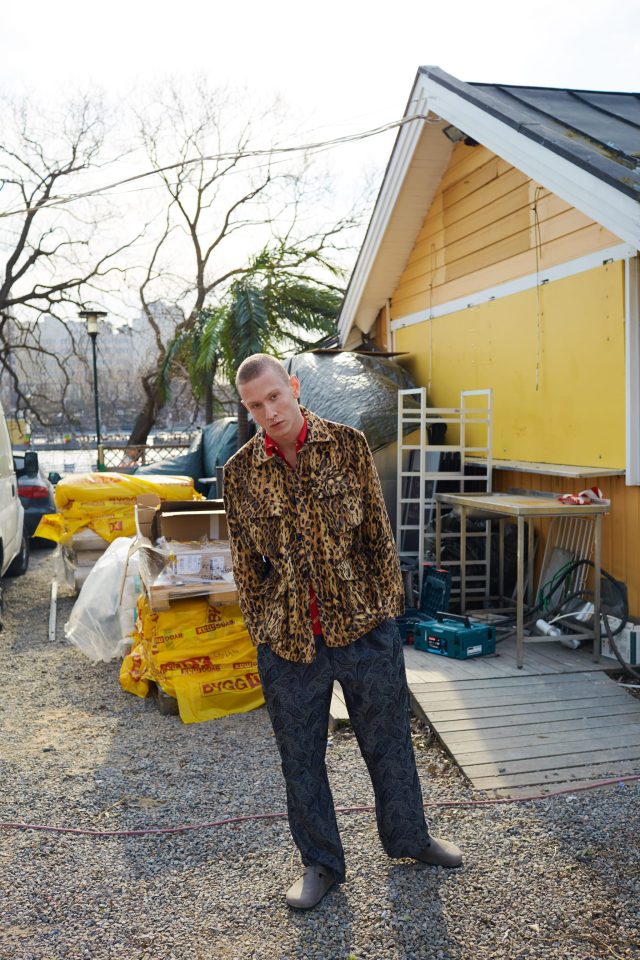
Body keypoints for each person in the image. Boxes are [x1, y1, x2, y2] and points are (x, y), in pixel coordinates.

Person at [223, 353, 462, 910]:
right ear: (248, 408)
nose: (270, 411)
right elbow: (246, 565)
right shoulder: (239, 473)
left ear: (294, 387)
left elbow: (379, 539)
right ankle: (321, 864)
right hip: (288, 641)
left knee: (390, 742)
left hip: (362, 627)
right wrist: (264, 627)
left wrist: (384, 611)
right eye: (257, 405)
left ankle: (411, 838)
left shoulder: (348, 445)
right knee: (300, 757)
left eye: (276, 397)